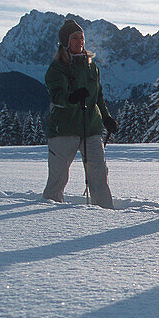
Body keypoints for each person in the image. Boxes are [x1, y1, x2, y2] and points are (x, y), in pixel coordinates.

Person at [43, 18, 118, 209]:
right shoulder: (57, 67)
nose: (80, 41)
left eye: (82, 37)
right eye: (75, 38)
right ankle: (46, 214)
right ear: (65, 42)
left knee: (99, 173)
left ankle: (104, 212)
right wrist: (72, 97)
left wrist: (107, 117)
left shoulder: (91, 66)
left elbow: (98, 96)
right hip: (64, 128)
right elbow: (57, 95)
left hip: (90, 127)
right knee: (58, 177)